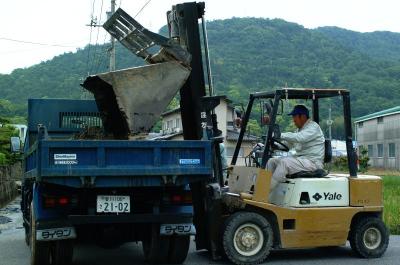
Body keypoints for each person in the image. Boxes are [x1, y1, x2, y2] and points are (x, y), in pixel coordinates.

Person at [267, 105, 325, 190]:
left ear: (303, 116)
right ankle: (264, 185)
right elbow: (287, 145)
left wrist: (280, 135)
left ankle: (265, 193)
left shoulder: (313, 127)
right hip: (302, 161)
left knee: (285, 163)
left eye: (294, 116)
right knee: (272, 161)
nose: (293, 120)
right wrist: (275, 145)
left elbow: (300, 137)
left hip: (313, 163)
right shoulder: (299, 130)